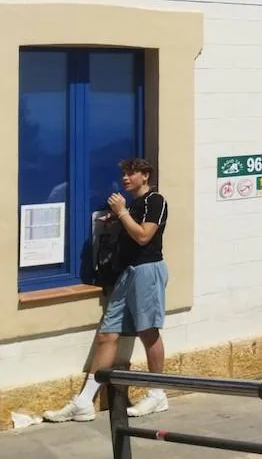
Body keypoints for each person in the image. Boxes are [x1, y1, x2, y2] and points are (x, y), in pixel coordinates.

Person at [45, 159, 171, 422]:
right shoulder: (133, 205)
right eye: (123, 173)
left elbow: (144, 236)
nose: (125, 178)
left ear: (145, 176)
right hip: (127, 274)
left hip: (147, 270)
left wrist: (122, 213)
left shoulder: (155, 201)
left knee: (148, 331)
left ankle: (158, 393)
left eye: (131, 173)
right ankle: (83, 402)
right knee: (108, 335)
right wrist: (117, 218)